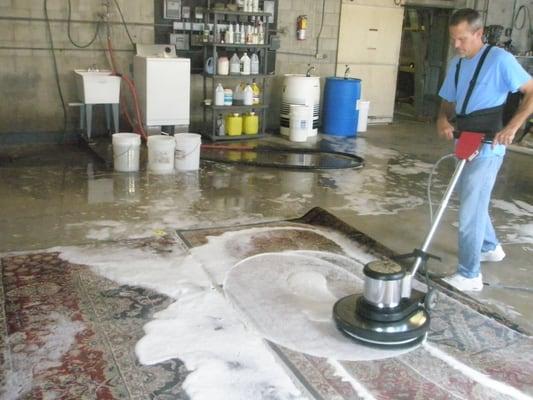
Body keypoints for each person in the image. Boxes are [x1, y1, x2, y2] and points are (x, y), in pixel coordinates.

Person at [437, 8, 533, 292]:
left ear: (479, 34)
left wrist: (513, 126)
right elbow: (447, 101)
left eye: (462, 39)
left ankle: (469, 275)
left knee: (469, 209)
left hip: (489, 145)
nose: (456, 45)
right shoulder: (457, 64)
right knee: (472, 200)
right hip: (463, 139)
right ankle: (490, 247)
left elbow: (531, 90)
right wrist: (443, 120)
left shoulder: (500, 60)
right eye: (453, 39)